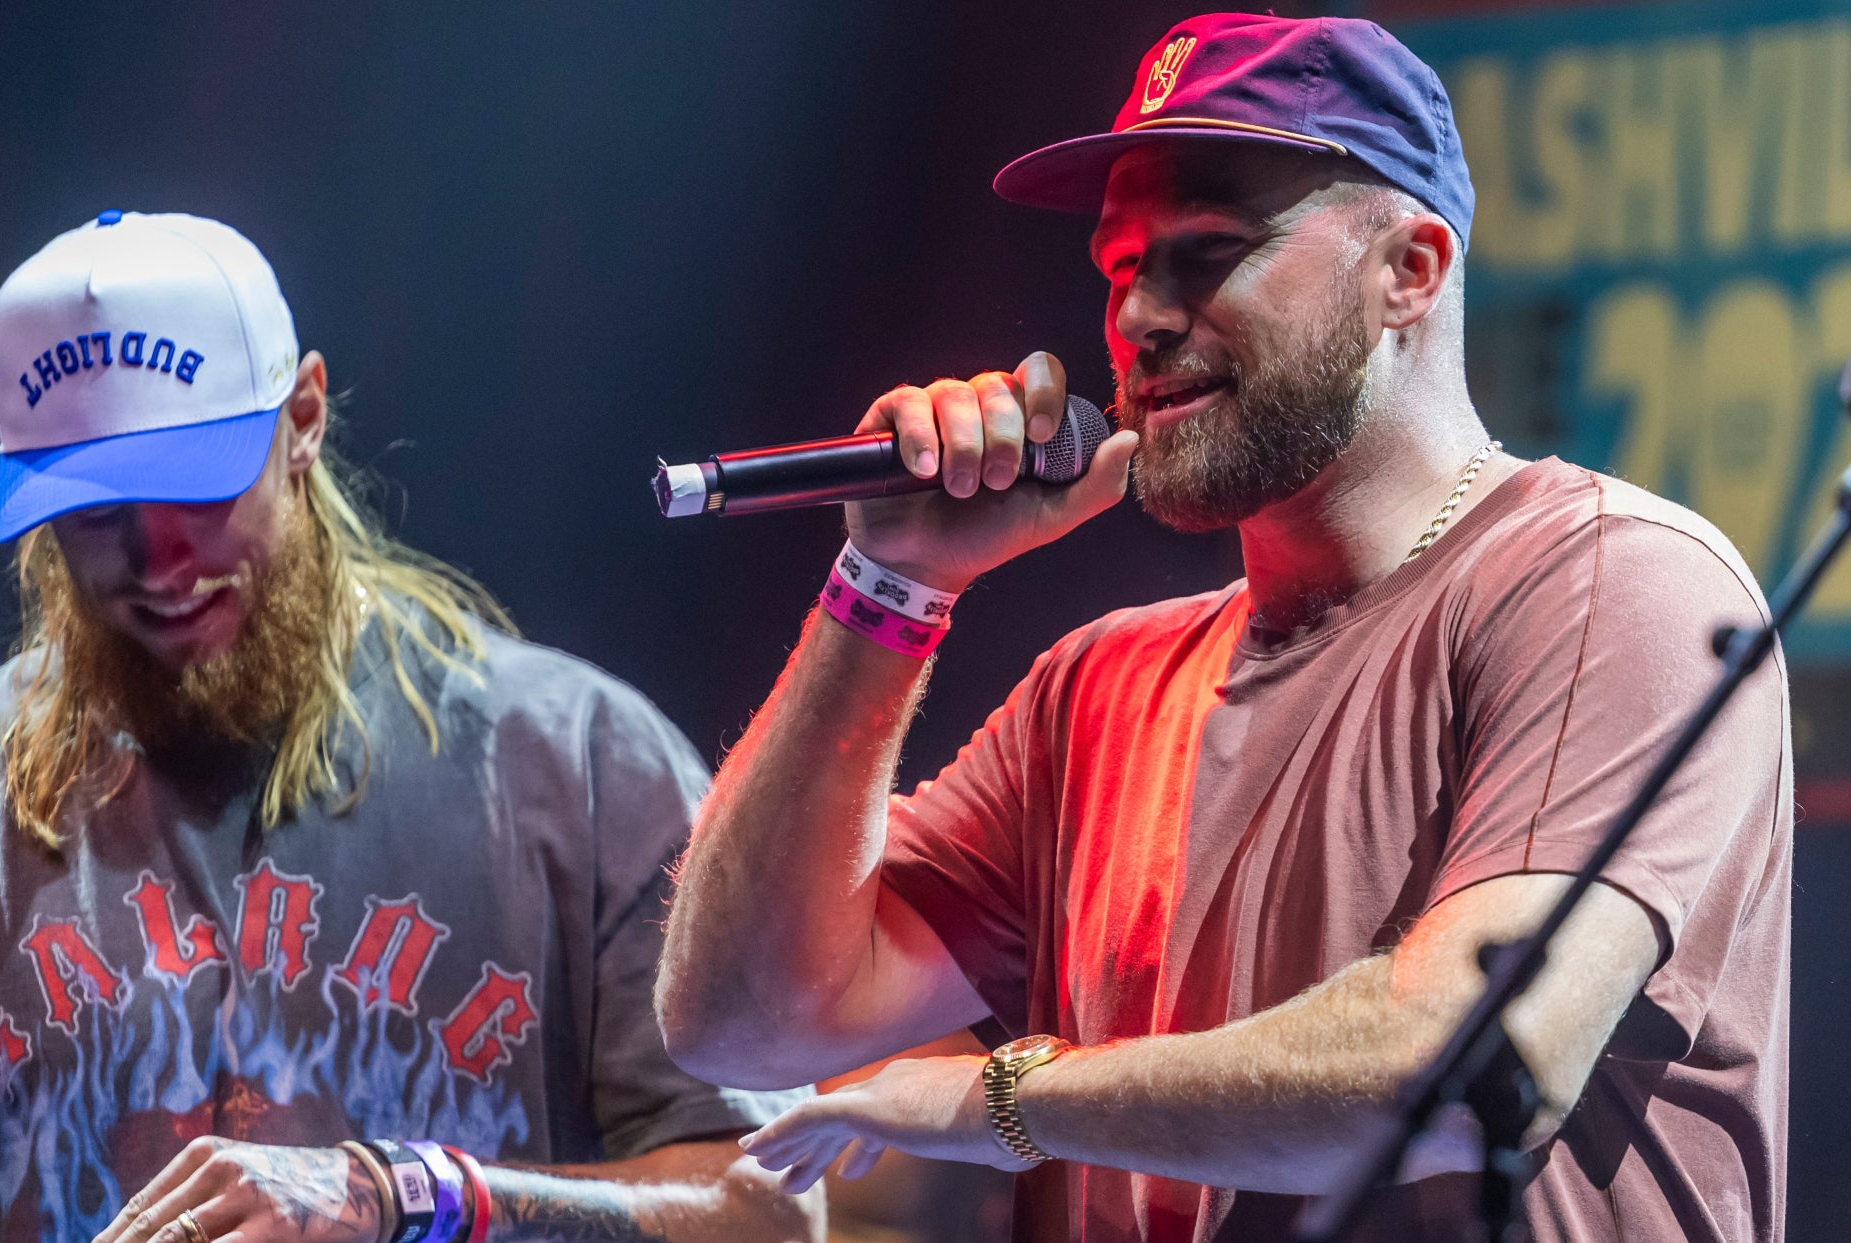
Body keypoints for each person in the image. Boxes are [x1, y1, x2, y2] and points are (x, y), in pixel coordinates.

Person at [656, 14, 1789, 1243]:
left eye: (1207, 250)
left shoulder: (1610, 581)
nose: (1139, 315)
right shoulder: (1096, 687)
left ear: (1410, 271)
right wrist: (890, 583)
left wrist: (1006, 1099)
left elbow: (1469, 1063)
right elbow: (738, 1019)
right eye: (1119, 265)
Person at [0, 210, 817, 1243]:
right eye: (96, 508)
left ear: (303, 418)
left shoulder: (579, 766)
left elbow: (770, 1211)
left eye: (200, 486)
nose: (160, 559)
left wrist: (411, 1193)